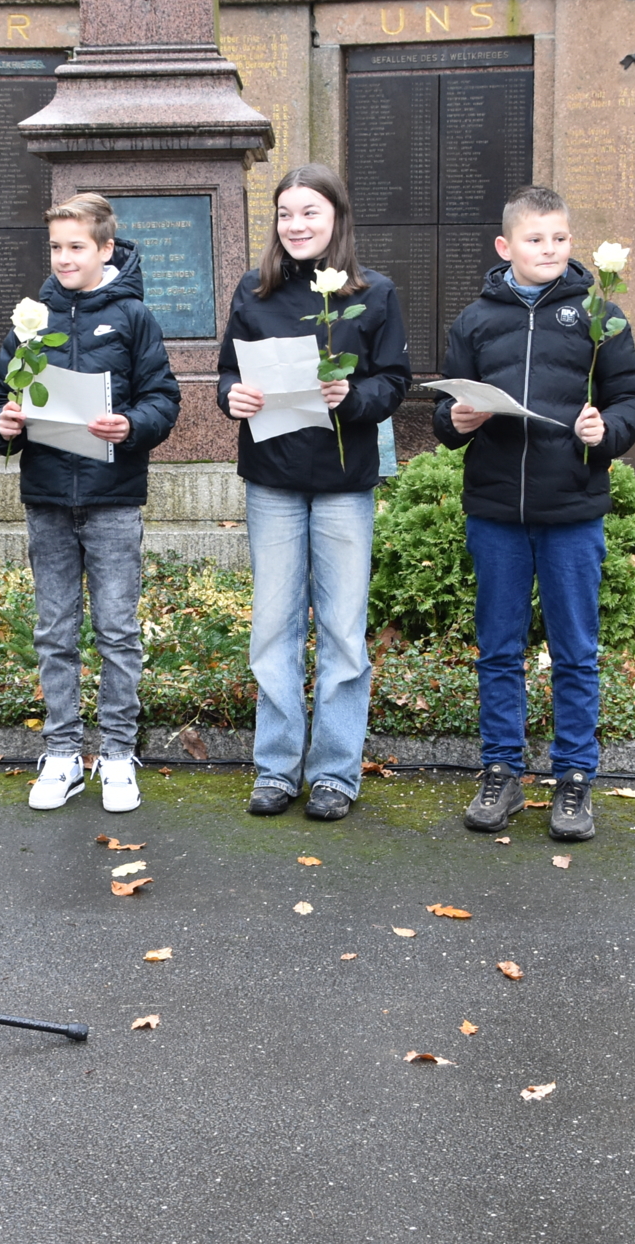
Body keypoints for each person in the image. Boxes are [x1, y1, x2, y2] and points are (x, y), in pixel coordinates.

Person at [433, 184, 635, 842]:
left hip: (572, 511)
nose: (548, 249)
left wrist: (603, 431)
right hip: (496, 511)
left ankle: (576, 777)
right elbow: (443, 420)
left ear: (572, 243)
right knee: (499, 650)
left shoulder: (600, 317)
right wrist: (458, 418)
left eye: (558, 238)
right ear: (506, 247)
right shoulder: (474, 321)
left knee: (576, 652)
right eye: (535, 239)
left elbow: (632, 401)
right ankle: (501, 771)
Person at [216, 164, 410, 822]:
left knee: (342, 633)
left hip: (342, 486)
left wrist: (352, 398)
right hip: (272, 479)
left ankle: (333, 773)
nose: (296, 225)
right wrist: (232, 397)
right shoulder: (254, 290)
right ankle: (275, 768)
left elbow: (395, 381)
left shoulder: (373, 294)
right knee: (272, 629)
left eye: (310, 213)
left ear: (337, 219)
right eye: (285, 214)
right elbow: (226, 375)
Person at [0, 193, 181, 814]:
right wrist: (5, 425)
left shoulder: (132, 318)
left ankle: (119, 754)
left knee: (117, 631)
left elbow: (163, 398)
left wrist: (131, 424)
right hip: (46, 497)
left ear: (105, 250)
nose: (64, 258)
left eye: (77, 247)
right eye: (56, 248)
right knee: (54, 631)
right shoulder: (30, 318)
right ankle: (64, 754)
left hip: (112, 499)